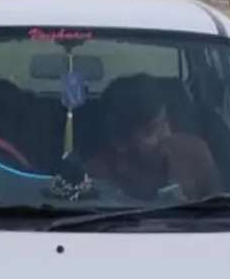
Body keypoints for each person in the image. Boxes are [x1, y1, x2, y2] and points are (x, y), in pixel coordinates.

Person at [85, 75, 221, 200]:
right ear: (120, 141)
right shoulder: (97, 173)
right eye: (151, 131)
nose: (167, 135)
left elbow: (220, 212)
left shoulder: (195, 153)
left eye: (165, 122)